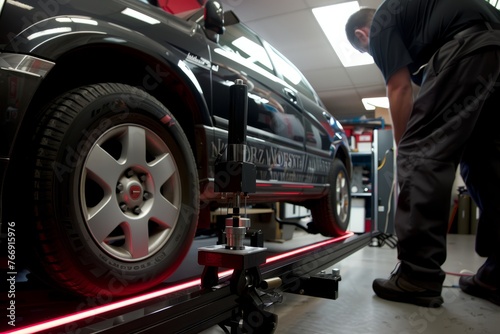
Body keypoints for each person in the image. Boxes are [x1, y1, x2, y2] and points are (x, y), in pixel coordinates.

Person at [345, 0, 500, 308]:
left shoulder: (379, 26)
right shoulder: (420, 20)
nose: (375, 54)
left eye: (367, 51)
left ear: (363, 35)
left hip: (468, 49)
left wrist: (406, 152)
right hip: (493, 49)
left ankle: (418, 277)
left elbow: (400, 88)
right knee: (484, 163)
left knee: (420, 152)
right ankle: (496, 276)